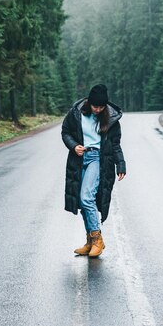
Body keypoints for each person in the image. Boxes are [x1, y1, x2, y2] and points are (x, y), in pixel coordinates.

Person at [61, 84, 126, 257]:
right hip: (79, 159)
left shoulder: (111, 119)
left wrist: (121, 164)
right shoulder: (75, 114)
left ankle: (98, 239)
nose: (97, 109)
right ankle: (90, 241)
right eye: (95, 106)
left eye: (101, 107)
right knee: (82, 202)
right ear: (89, 102)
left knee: (86, 197)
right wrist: (74, 146)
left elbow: (115, 144)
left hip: (98, 159)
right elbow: (65, 132)